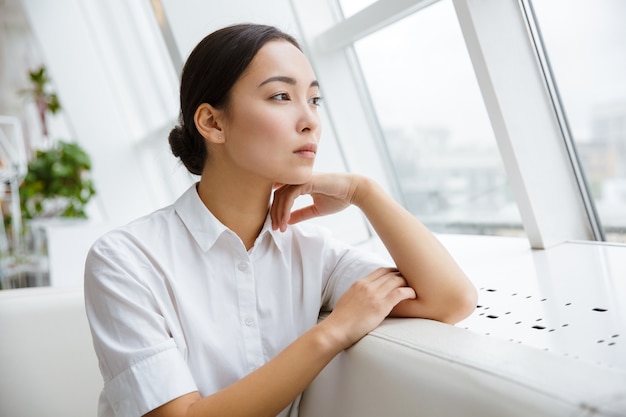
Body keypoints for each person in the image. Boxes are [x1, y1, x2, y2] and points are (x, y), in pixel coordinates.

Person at [84, 23, 477, 417]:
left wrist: (363, 193)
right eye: (281, 96)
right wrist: (333, 332)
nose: (310, 120)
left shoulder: (312, 252)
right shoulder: (125, 260)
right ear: (212, 123)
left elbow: (451, 300)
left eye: (315, 99)